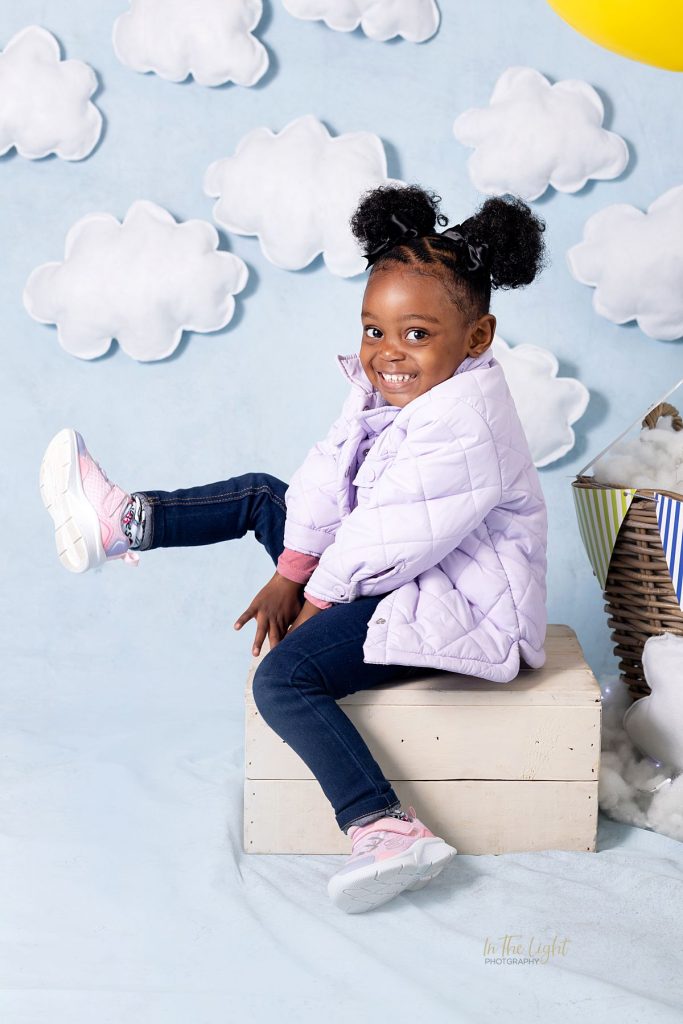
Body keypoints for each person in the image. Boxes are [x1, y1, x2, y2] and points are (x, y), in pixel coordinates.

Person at [40, 183, 548, 914]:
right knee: (262, 495)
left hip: (458, 602)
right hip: (398, 576)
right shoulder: (394, 390)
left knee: (282, 679)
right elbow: (325, 480)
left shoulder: (467, 422)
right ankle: (123, 523)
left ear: (476, 338)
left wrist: (314, 599)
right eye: (373, 330)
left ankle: (385, 826)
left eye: (416, 334)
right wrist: (290, 568)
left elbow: (389, 537)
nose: (386, 354)